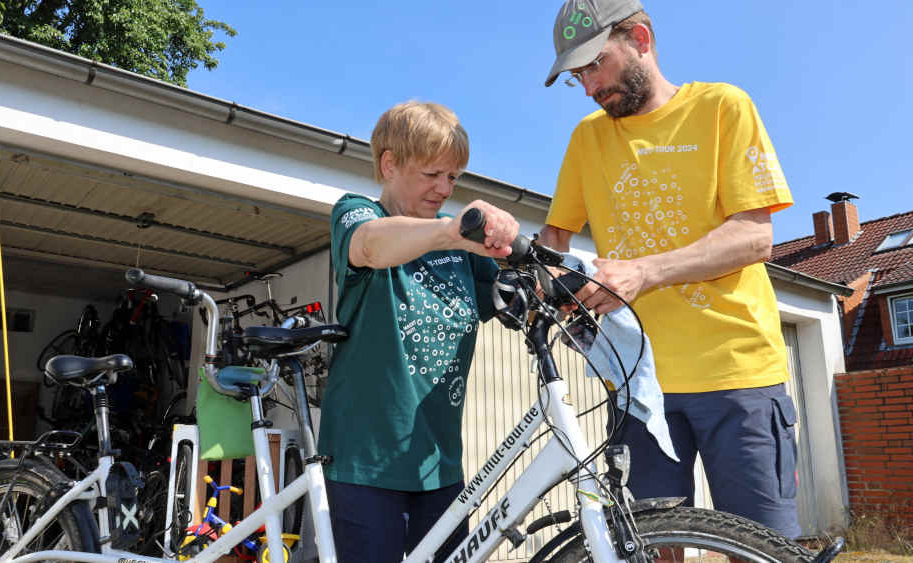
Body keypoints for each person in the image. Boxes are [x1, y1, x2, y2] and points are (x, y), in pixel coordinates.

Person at [538, 0, 802, 538]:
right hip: (638, 386)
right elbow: (554, 239)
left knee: (763, 548)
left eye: (595, 64)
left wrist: (643, 272)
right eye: (577, 76)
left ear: (640, 39)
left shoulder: (722, 107)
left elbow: (755, 236)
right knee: (652, 547)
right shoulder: (588, 138)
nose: (589, 87)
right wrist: (547, 282)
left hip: (738, 376)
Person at [316, 100, 520, 561]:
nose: (444, 189)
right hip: (366, 462)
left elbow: (514, 291)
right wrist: (452, 231)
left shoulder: (460, 248)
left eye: (453, 177)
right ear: (390, 164)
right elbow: (371, 245)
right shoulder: (356, 213)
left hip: (439, 464)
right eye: (432, 174)